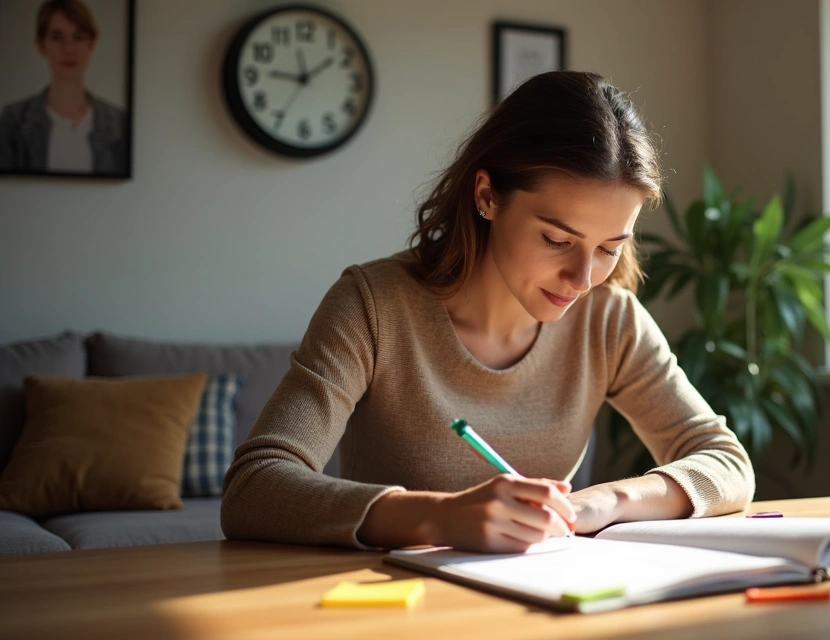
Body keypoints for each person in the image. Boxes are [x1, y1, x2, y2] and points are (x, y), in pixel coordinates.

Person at [221, 71, 754, 553]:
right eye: (555, 238)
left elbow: (725, 462)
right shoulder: (373, 305)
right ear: (487, 196)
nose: (584, 278)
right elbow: (255, 486)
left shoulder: (609, 320)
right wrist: (438, 518)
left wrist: (607, 503)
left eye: (610, 247)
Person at [0, 0, 128, 174]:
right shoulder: (13, 119)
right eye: (57, 37)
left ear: (91, 44)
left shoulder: (119, 123)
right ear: (41, 45)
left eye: (79, 37)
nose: (68, 49)